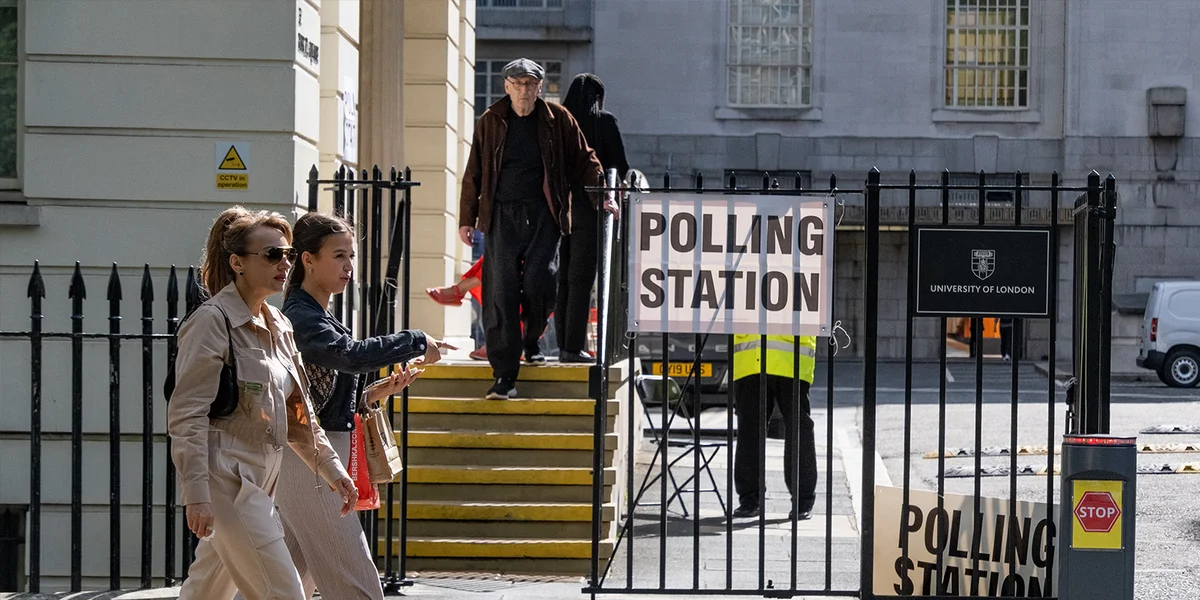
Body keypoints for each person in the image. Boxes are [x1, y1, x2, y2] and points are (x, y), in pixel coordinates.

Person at [232, 212, 453, 600]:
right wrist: (416, 339)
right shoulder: (300, 316)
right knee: (357, 584)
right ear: (308, 259)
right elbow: (347, 356)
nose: (349, 266)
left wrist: (375, 393)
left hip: (316, 452)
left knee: (286, 586)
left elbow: (322, 392)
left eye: (351, 255)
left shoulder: (319, 314)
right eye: (339, 255)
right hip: (309, 458)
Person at [167, 207, 356, 600]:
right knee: (283, 593)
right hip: (227, 479)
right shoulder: (211, 321)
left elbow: (298, 413)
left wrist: (333, 469)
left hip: (262, 479)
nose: (284, 263)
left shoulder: (280, 325)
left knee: (204, 593)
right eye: (272, 255)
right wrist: (197, 494)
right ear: (237, 262)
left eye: (287, 254)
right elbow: (187, 415)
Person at [458, 57, 615, 400]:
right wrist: (467, 218)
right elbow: (474, 172)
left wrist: (604, 194)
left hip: (545, 214)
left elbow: (585, 157)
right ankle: (504, 376)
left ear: (540, 87)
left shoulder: (557, 119)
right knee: (501, 291)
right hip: (501, 215)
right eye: (517, 84)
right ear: (506, 87)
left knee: (540, 282)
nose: (524, 90)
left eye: (530, 84)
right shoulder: (491, 121)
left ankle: (532, 339)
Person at [556, 73, 629, 364]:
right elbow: (620, 165)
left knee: (563, 279)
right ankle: (574, 347)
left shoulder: (559, 123)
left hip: (560, 210)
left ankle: (564, 343)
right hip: (591, 208)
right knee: (582, 279)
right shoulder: (605, 122)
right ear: (598, 97)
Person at [730, 334, 818, 521]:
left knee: (798, 429)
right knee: (749, 430)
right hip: (750, 360)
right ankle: (749, 499)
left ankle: (802, 500)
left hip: (791, 359)